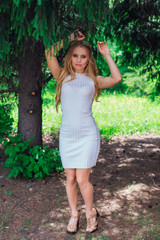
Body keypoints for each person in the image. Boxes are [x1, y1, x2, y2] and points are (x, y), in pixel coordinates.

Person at [45, 31, 122, 233]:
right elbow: (49, 52)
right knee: (70, 178)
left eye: (84, 56)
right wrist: (71, 38)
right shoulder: (62, 75)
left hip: (88, 134)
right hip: (68, 135)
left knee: (82, 179)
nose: (79, 60)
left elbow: (116, 78)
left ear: (88, 59)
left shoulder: (94, 80)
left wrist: (106, 53)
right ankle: (74, 215)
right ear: (71, 57)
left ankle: (90, 213)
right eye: (76, 55)